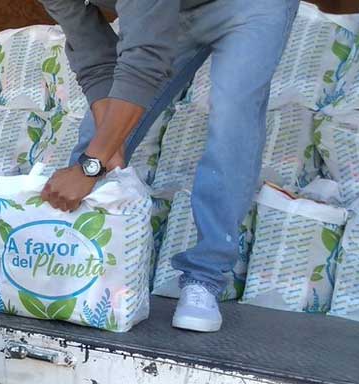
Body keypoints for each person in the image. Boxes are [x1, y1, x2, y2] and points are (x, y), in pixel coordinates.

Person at [39, 0, 299, 332]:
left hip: (249, 6)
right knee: (97, 134)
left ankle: (205, 277)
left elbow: (144, 61)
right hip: (169, 10)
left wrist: (92, 166)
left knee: (233, 116)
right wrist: (105, 151)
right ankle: (79, 261)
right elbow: (95, 57)